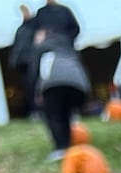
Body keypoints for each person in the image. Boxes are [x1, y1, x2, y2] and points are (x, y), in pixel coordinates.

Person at [32, 25, 86, 160]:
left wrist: (37, 91)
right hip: (78, 83)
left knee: (53, 115)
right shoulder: (67, 46)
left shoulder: (43, 46)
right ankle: (68, 144)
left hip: (54, 82)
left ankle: (60, 148)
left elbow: (35, 70)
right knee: (65, 114)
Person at [9, 4, 38, 117]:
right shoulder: (21, 29)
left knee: (37, 87)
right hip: (24, 63)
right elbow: (17, 47)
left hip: (34, 61)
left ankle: (39, 111)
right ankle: (33, 111)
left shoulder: (35, 26)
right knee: (29, 88)